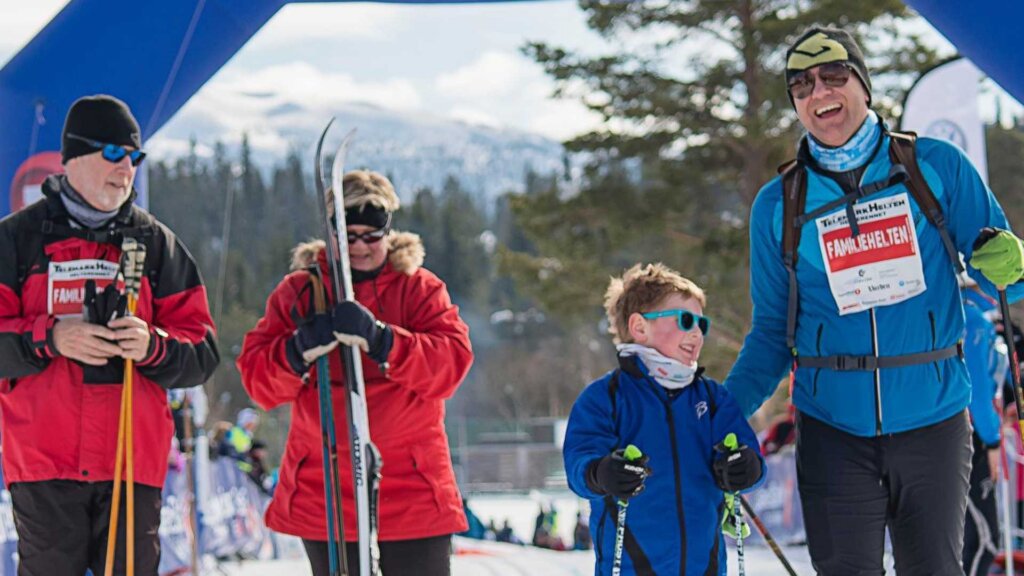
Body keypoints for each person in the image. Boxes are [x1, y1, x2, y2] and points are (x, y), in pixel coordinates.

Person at [724, 26, 1024, 575]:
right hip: (832, 426)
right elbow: (771, 332)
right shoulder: (778, 204)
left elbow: (1005, 278)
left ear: (862, 84)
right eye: (801, 85)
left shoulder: (934, 166)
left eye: (833, 76)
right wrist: (721, 413)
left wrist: (1009, 264)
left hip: (933, 419)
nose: (819, 93)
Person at [0, 94, 219, 574]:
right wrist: (51, 337)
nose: (126, 169)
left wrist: (153, 345)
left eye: (135, 158)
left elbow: (203, 352)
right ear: (74, 156)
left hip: (130, 462)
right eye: (114, 154)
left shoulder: (157, 243)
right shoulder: (17, 238)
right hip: (45, 463)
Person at [237, 170, 473, 576]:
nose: (361, 246)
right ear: (331, 233)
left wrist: (384, 341)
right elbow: (259, 380)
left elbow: (450, 365)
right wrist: (296, 351)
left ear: (388, 231)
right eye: (350, 234)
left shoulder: (418, 288)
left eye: (372, 235)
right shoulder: (300, 292)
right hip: (326, 484)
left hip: (411, 484)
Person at [563, 263, 764, 575]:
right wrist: (603, 472)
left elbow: (749, 452)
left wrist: (744, 465)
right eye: (685, 320)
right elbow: (579, 464)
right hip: (631, 564)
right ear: (640, 327)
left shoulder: (712, 399)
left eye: (702, 324)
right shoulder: (607, 397)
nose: (697, 332)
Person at [961, 278, 1007, 576]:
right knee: (982, 541)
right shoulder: (974, 320)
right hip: (969, 440)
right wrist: (992, 441)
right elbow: (977, 392)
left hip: (946, 436)